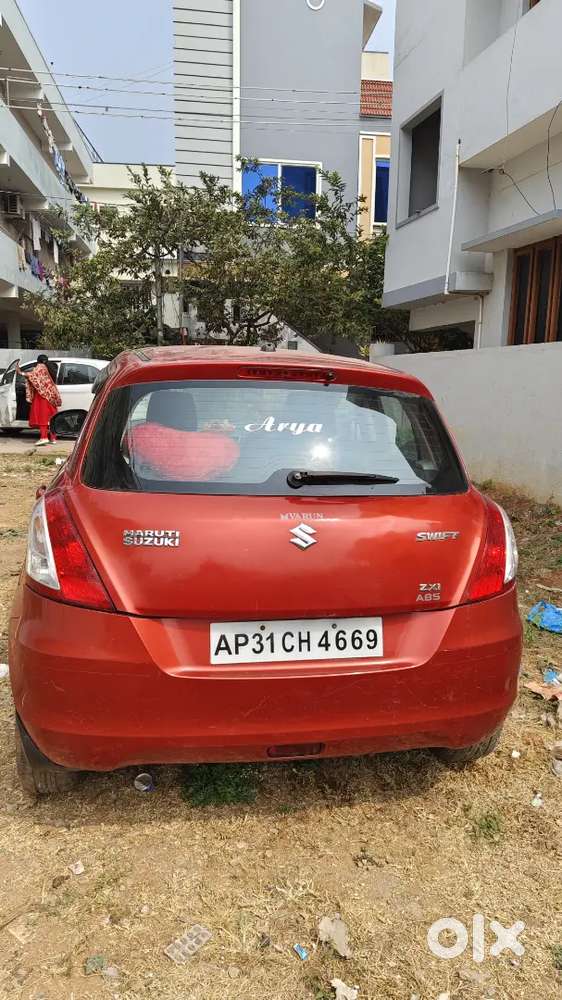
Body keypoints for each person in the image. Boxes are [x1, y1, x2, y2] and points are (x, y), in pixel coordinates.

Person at [17, 355, 61, 446]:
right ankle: (53, 438)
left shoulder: (40, 367)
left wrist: (21, 373)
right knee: (51, 417)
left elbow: (33, 376)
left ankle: (43, 437)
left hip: (42, 395)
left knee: (42, 416)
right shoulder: (50, 368)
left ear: (38, 361)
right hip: (51, 395)